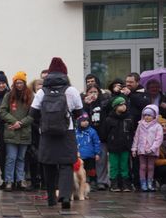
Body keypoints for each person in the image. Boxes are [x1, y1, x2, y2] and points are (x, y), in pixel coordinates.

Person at [29, 57, 84, 209]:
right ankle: (65, 196)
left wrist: (45, 121)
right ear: (65, 74)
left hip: (46, 133)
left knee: (49, 165)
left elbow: (32, 113)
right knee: (66, 164)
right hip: (67, 132)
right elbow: (80, 112)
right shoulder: (71, 90)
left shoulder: (42, 92)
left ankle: (51, 198)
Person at [0, 71, 34, 191]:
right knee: (11, 157)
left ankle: (20, 180)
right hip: (11, 132)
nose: (19, 85)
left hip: (24, 132)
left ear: (24, 83)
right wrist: (14, 121)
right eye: (17, 82)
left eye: (21, 82)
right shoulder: (9, 95)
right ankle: (9, 181)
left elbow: (33, 114)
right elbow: (2, 111)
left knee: (21, 158)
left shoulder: (30, 96)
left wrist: (21, 123)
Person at [101, 96, 135, 193]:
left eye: (124, 104)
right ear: (115, 107)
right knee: (114, 165)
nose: (123, 106)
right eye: (120, 105)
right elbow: (105, 133)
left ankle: (125, 183)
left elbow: (132, 131)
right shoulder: (109, 119)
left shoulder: (129, 118)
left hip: (125, 145)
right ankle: (114, 183)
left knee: (124, 165)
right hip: (113, 146)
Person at [82, 84, 109, 190]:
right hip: (87, 137)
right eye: (90, 92)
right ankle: (89, 180)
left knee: (101, 160)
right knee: (89, 161)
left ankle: (101, 181)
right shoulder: (84, 104)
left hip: (100, 136)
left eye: (95, 92)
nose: (93, 94)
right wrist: (86, 105)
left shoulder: (103, 103)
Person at [131, 104, 164, 192]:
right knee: (142, 166)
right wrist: (134, 148)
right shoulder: (140, 125)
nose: (146, 117)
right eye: (145, 115)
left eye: (149, 115)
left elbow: (159, 139)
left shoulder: (157, 126)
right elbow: (136, 137)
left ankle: (150, 182)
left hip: (152, 150)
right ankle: (143, 183)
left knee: (150, 167)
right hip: (142, 149)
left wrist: (153, 148)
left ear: (154, 116)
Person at [75, 113, 101, 188]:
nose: (86, 122)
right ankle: (82, 182)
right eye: (83, 121)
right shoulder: (75, 132)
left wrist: (97, 153)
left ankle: (93, 182)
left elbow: (96, 142)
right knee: (81, 170)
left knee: (91, 169)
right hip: (80, 156)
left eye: (87, 120)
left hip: (90, 155)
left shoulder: (92, 131)